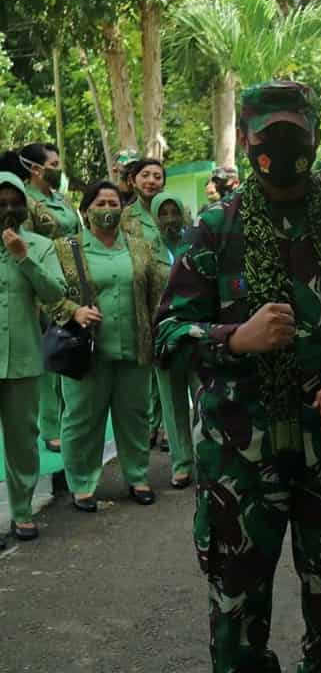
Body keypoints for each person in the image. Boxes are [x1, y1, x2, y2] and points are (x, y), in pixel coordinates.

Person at [155, 80, 321, 672]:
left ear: (315, 138)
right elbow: (167, 334)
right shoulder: (215, 229)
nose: (282, 147)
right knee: (237, 626)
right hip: (240, 462)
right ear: (247, 141)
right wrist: (233, 338)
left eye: (293, 134)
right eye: (268, 135)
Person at [51, 180, 163, 512]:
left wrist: (159, 334)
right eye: (100, 204)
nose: (108, 209)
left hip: (134, 348)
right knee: (82, 420)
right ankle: (82, 484)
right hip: (86, 352)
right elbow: (47, 295)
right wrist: (74, 311)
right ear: (85, 211)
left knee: (136, 416)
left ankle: (138, 477)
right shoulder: (65, 248)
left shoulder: (140, 247)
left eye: (114, 203)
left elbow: (155, 295)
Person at [0, 172, 66, 541]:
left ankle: (22, 510)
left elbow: (55, 293)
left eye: (16, 202)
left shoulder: (40, 246)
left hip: (23, 358)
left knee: (23, 439)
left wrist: (23, 257)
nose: (9, 210)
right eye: (1, 203)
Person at [11, 143, 81, 454]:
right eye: (53, 164)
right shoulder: (23, 200)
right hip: (43, 284)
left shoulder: (61, 199)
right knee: (51, 355)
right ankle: (51, 427)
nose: (58, 168)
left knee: (70, 352)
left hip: (74, 281)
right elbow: (23, 243)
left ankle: (69, 421)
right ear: (35, 168)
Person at [150, 191, 201, 488]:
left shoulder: (195, 242)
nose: (170, 219)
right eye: (163, 213)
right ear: (154, 217)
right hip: (163, 335)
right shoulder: (146, 250)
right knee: (172, 403)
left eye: (174, 212)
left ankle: (205, 456)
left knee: (202, 397)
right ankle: (181, 463)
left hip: (195, 331)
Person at [118, 158, 168, 449]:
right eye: (145, 175)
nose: (151, 181)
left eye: (157, 176)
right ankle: (148, 425)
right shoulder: (124, 217)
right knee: (145, 364)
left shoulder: (174, 210)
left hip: (170, 295)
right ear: (133, 180)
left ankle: (165, 427)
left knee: (167, 362)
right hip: (138, 297)